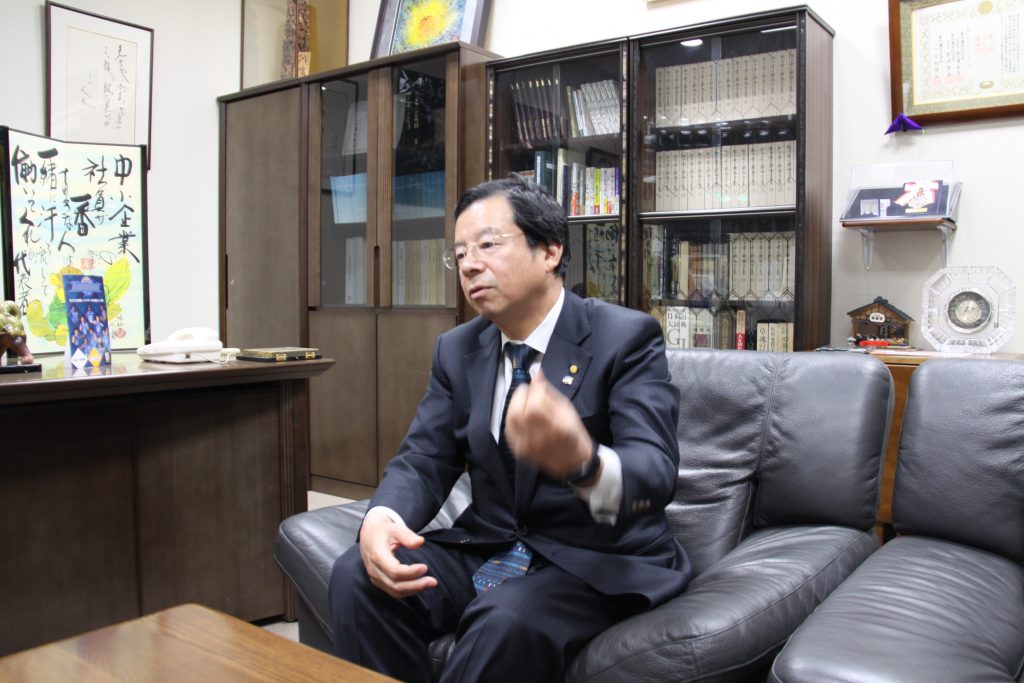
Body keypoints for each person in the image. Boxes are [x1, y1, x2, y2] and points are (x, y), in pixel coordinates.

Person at [328, 176, 691, 682]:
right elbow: (424, 458)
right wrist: (381, 517)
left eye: (488, 245)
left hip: (594, 559)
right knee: (357, 575)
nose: (469, 264)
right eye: (459, 254)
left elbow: (655, 471)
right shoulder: (457, 349)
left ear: (550, 251)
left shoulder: (625, 337)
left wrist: (583, 462)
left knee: (504, 619)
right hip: (492, 545)